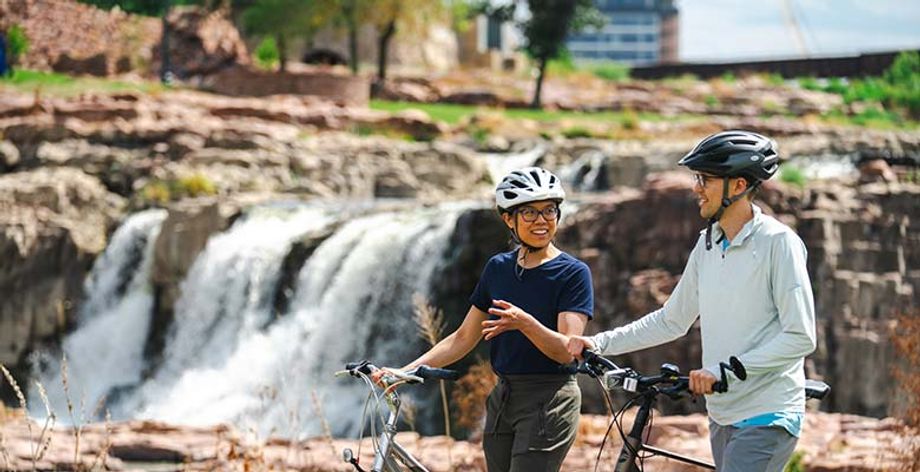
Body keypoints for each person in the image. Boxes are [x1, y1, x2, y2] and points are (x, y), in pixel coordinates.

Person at [567, 130, 817, 472]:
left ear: (739, 186)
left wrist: (723, 371)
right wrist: (598, 343)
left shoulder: (778, 243)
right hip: (722, 413)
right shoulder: (709, 243)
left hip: (768, 413)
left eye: (705, 179)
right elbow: (672, 319)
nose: (696, 188)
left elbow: (800, 336)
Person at [376, 167, 594, 472]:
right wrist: (406, 371)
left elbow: (567, 350)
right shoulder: (498, 268)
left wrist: (525, 323)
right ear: (508, 219)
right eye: (529, 212)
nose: (542, 220)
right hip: (504, 396)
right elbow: (463, 337)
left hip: (550, 398)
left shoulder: (573, 273)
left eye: (549, 211)